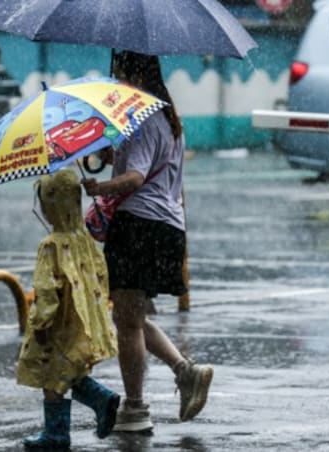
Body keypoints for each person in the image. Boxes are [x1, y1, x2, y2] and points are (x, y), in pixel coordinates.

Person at [81, 50, 213, 432]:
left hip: (139, 224)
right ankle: (185, 372)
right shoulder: (168, 116)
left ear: (132, 73)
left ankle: (135, 409)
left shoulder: (141, 118)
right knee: (131, 317)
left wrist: (99, 186)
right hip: (166, 226)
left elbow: (136, 178)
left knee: (127, 322)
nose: (117, 80)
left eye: (120, 72)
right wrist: (111, 152)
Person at [18, 170, 120, 451]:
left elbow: (47, 290)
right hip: (81, 319)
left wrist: (41, 324)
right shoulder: (83, 239)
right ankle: (100, 399)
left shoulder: (50, 245)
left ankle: (57, 433)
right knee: (68, 369)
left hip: (57, 323)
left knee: (51, 373)